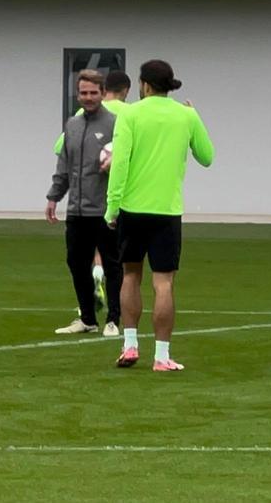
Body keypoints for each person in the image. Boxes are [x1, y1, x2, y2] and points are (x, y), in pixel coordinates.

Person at [105, 60, 214, 372]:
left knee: (130, 276)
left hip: (132, 209)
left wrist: (112, 207)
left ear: (144, 85)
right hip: (167, 211)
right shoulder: (186, 115)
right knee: (163, 283)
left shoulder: (130, 114)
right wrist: (195, 116)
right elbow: (207, 157)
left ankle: (129, 345)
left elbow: (120, 163)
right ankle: (162, 356)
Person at [46, 70, 122, 337]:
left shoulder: (115, 124)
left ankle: (113, 320)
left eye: (93, 92)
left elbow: (129, 161)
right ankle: (87, 318)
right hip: (76, 211)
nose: (88, 97)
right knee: (76, 263)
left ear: (102, 93)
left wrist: (115, 163)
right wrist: (54, 196)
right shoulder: (72, 125)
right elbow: (64, 165)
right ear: (77, 95)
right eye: (83, 93)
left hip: (105, 211)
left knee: (112, 265)